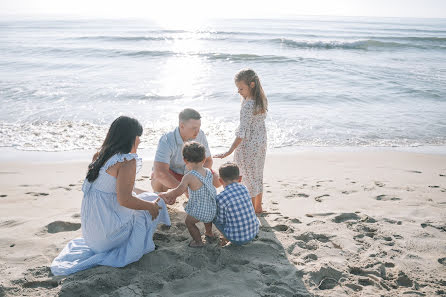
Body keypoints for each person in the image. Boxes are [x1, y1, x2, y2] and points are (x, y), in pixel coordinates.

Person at [51, 116, 171, 276]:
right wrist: (150, 206)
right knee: (153, 206)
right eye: (138, 136)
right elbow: (124, 199)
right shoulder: (127, 161)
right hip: (109, 237)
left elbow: (119, 189)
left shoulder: (99, 156)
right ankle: (143, 244)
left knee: (152, 197)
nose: (140, 141)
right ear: (131, 137)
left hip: (92, 237)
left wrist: (152, 195)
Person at [214, 69, 268, 213]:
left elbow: (242, 133)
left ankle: (250, 210)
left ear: (251, 85)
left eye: (241, 88)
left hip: (248, 146)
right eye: (237, 88)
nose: (238, 91)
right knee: (257, 175)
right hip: (261, 143)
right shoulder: (260, 99)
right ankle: (258, 207)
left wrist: (229, 151)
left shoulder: (248, 104)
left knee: (247, 178)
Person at [158, 141, 217, 248]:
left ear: (185, 160)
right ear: (204, 159)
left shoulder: (189, 176)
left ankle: (198, 241)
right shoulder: (208, 171)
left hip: (200, 211)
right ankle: (209, 233)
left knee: (189, 222)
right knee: (207, 220)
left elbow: (179, 190)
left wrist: (168, 194)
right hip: (212, 209)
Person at [151, 108, 220, 193]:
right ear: (182, 126)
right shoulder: (167, 139)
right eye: (194, 128)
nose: (197, 131)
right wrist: (183, 189)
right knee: (158, 181)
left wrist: (196, 179)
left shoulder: (200, 134)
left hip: (194, 172)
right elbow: (160, 172)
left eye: (199, 127)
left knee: (217, 179)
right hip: (173, 174)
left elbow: (208, 161)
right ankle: (162, 197)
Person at [211, 162, 259, 246]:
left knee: (214, 217)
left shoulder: (220, 197)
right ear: (240, 178)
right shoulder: (244, 188)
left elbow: (221, 221)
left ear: (220, 181)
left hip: (237, 239)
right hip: (254, 231)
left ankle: (225, 237)